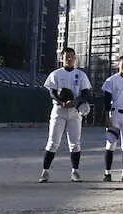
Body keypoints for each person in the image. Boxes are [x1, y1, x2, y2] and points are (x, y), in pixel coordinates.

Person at [38, 47, 93, 183]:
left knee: (75, 143)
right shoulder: (56, 74)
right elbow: (52, 92)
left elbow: (85, 92)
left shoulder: (81, 75)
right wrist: (61, 102)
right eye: (66, 56)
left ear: (75, 58)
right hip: (59, 110)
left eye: (72, 56)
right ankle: (45, 172)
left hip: (74, 111)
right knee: (53, 142)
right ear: (62, 58)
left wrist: (75, 102)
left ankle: (75, 172)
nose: (69, 59)